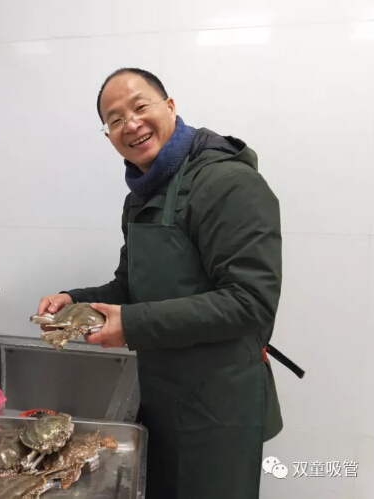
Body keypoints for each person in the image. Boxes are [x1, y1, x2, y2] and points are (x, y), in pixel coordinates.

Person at [36, 68, 302, 499]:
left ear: (170, 106)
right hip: (163, 403)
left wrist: (132, 325)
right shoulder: (142, 196)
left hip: (220, 412)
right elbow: (130, 288)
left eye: (140, 107)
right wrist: (75, 302)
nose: (131, 124)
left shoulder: (227, 182)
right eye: (115, 119)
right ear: (108, 136)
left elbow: (250, 302)